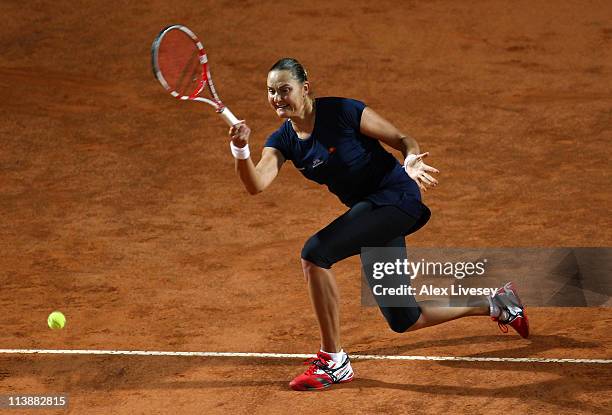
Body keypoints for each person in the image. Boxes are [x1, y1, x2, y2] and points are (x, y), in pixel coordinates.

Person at [227, 58, 529, 391]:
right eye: (271, 91)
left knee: (315, 253)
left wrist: (410, 159)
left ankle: (333, 361)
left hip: (397, 197)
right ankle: (497, 302)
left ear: (305, 88)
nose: (277, 98)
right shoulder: (282, 140)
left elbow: (402, 138)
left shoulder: (342, 111)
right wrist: (240, 149)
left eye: (285, 89)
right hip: (372, 213)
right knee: (405, 319)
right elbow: (256, 184)